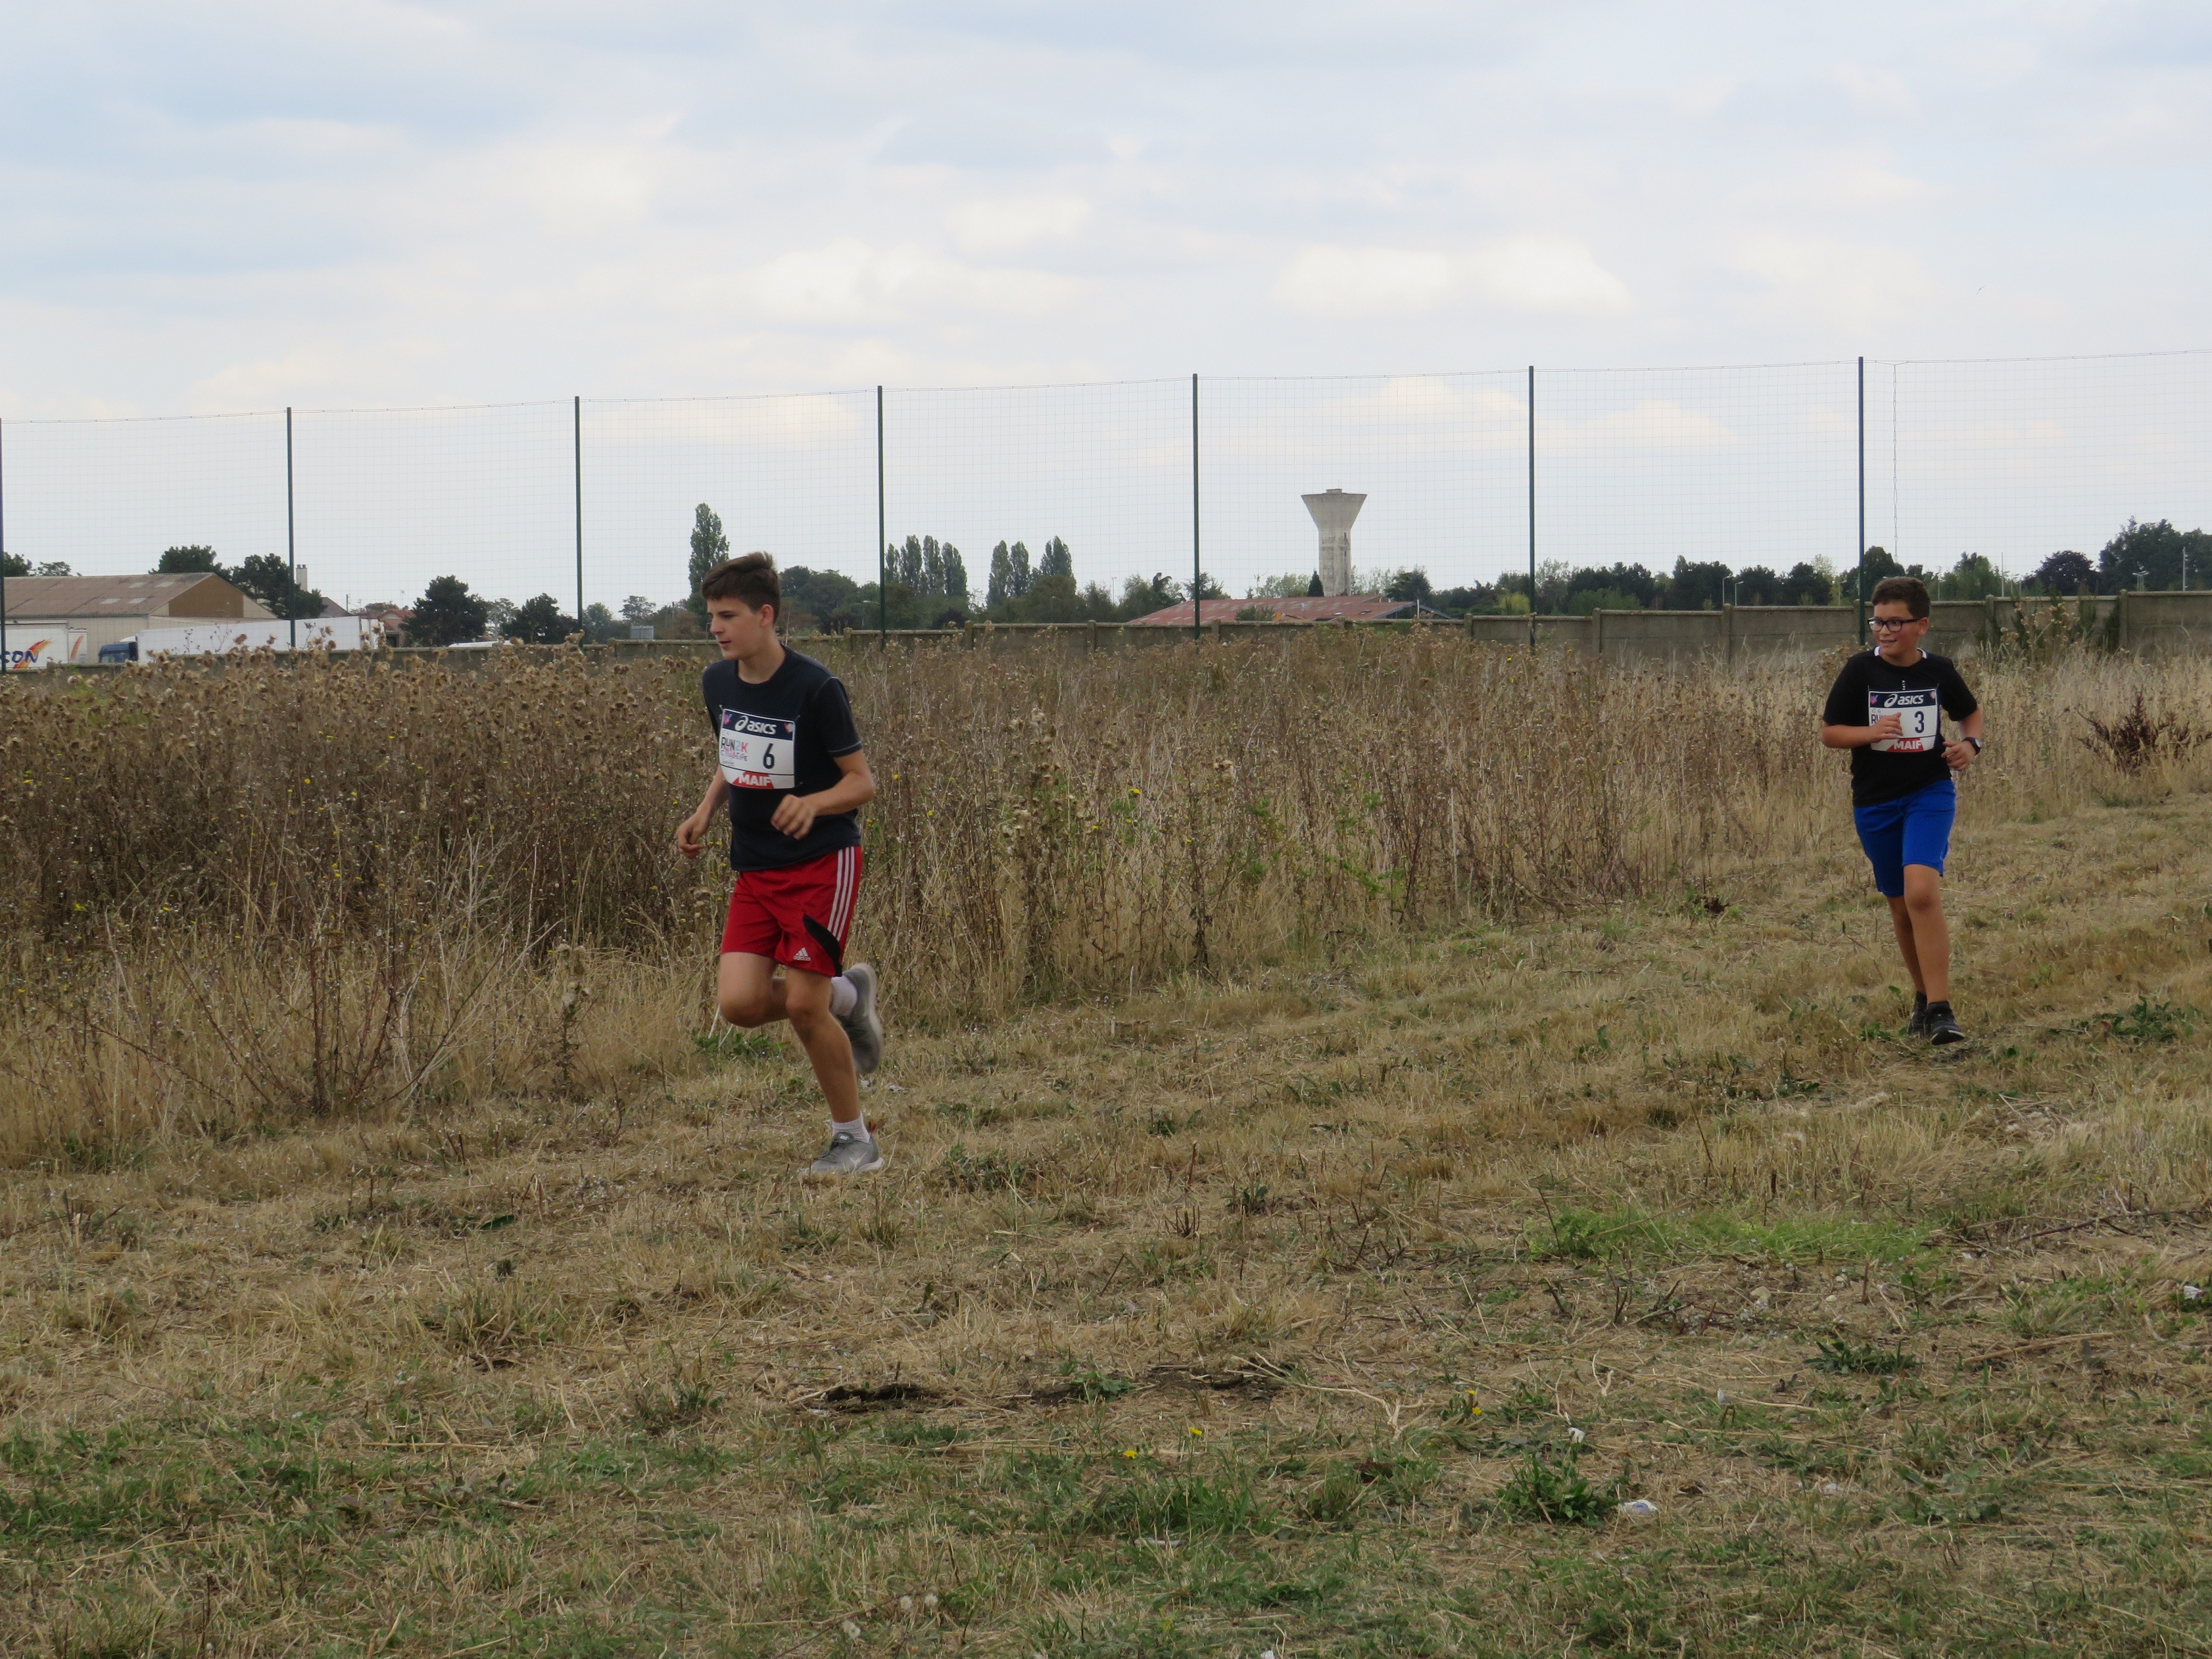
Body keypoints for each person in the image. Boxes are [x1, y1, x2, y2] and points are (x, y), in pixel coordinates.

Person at [675, 552, 888, 1175]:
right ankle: (848, 997)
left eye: (728, 616)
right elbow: (734, 751)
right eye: (711, 616)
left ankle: (855, 1141)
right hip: (756, 869)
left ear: (766, 616)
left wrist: (813, 804)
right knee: (739, 1007)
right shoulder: (717, 682)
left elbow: (862, 783)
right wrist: (706, 808)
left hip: (823, 864)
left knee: (801, 1005)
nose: (716, 628)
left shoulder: (817, 687)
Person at [1820, 575, 1985, 1044]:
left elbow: (1970, 715)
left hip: (1928, 792)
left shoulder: (1940, 671)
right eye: (1878, 621)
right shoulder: (1859, 672)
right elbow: (1831, 733)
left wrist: (1970, 746)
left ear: (1922, 626)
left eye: (1896, 622)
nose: (1885, 631)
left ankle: (1941, 1009)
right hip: (1874, 802)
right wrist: (1871, 733)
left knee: (1922, 894)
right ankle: (1922, 998)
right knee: (1899, 907)